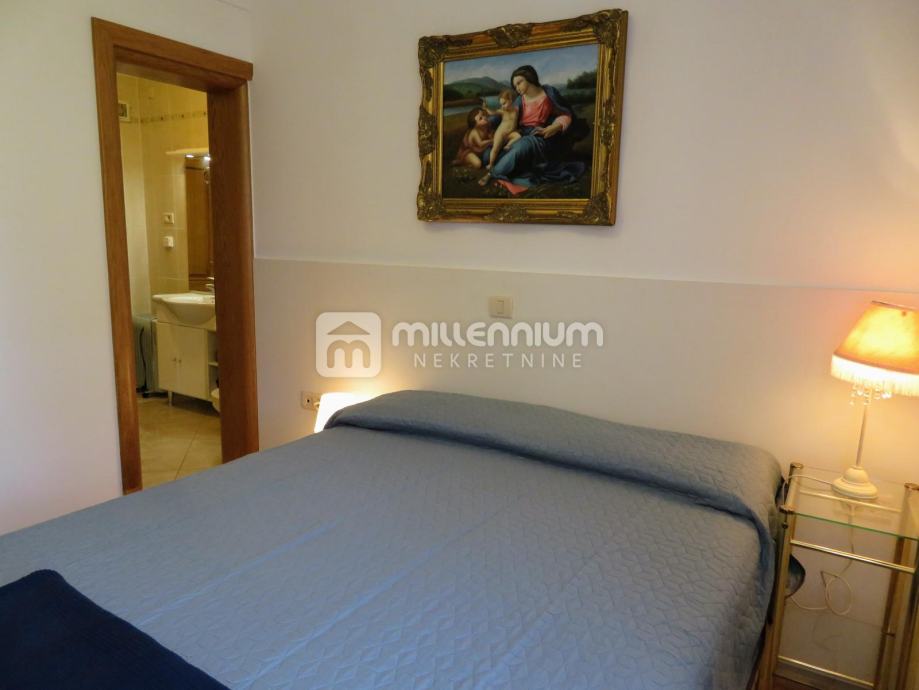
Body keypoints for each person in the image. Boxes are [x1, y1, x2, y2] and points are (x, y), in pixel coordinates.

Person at [484, 65, 588, 195]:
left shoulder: (549, 93)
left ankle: (493, 173)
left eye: (519, 83)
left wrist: (555, 126)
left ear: (529, 78)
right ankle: (508, 168)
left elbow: (565, 114)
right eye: (515, 86)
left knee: (521, 147)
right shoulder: (520, 100)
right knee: (488, 154)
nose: (517, 88)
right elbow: (505, 113)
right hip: (520, 134)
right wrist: (488, 122)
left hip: (539, 136)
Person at [478, 89, 521, 186]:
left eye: (504, 103)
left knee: (518, 136)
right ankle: (491, 164)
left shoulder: (516, 109)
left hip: (510, 133)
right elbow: (492, 113)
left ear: (511, 100)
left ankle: (508, 145)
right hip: (501, 133)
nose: (502, 106)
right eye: (501, 104)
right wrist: (486, 108)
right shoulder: (503, 111)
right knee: (495, 149)